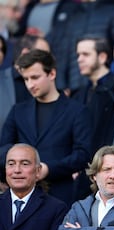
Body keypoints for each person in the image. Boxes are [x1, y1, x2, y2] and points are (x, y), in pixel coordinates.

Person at [0, 49, 92, 206]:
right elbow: (3, 149)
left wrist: (49, 168)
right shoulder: (18, 111)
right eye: (26, 79)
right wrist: (21, 164)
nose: (30, 84)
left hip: (60, 196)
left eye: (35, 77)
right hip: (22, 196)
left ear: (52, 74)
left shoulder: (77, 111)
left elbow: (83, 155)